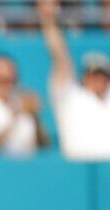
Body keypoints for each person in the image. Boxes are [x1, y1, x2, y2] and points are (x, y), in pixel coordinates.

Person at [39, 0, 110, 160]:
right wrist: (48, 20)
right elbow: (60, 58)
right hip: (76, 175)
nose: (97, 79)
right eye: (92, 73)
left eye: (102, 74)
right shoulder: (70, 96)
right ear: (84, 76)